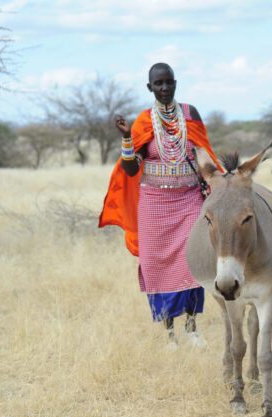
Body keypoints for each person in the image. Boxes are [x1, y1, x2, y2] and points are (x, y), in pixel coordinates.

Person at [99, 62, 224, 347]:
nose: (164, 88)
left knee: (193, 261)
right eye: (158, 84)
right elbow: (131, 171)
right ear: (150, 88)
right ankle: (169, 333)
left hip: (190, 199)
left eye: (169, 82)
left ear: (176, 83)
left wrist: (219, 182)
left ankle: (192, 328)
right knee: (159, 265)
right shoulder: (143, 122)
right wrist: (127, 138)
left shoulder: (190, 114)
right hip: (154, 203)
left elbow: (203, 152)